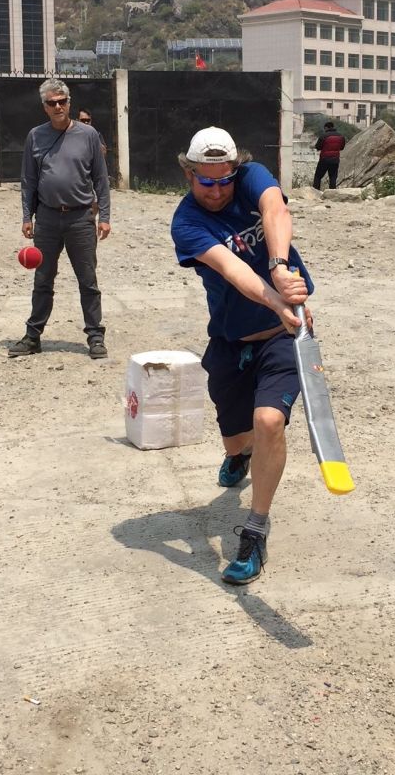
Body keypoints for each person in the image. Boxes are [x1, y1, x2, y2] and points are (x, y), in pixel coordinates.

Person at [171, 126, 314, 585]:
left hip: (283, 336)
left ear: (236, 170)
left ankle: (254, 531)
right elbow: (232, 270)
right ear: (189, 174)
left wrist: (279, 265)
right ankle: (240, 455)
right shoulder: (187, 223)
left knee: (270, 421)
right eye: (205, 181)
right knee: (239, 439)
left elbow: (275, 207)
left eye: (224, 180)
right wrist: (275, 294)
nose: (216, 190)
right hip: (231, 341)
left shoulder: (252, 177)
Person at [8, 79, 111, 359]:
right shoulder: (35, 136)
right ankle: (33, 337)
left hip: (81, 219)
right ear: (44, 107)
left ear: (69, 102)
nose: (58, 106)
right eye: (52, 102)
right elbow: (28, 179)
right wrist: (26, 216)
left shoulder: (88, 135)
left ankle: (95, 336)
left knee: (88, 280)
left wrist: (105, 216)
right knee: (43, 280)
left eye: (62, 101)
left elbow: (100, 178)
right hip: (48, 220)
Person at [312, 121, 346, 190]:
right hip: (335, 160)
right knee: (333, 177)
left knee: (318, 176)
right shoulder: (341, 136)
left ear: (326, 128)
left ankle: (315, 192)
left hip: (324, 159)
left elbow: (318, 147)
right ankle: (332, 193)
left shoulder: (323, 136)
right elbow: (342, 148)